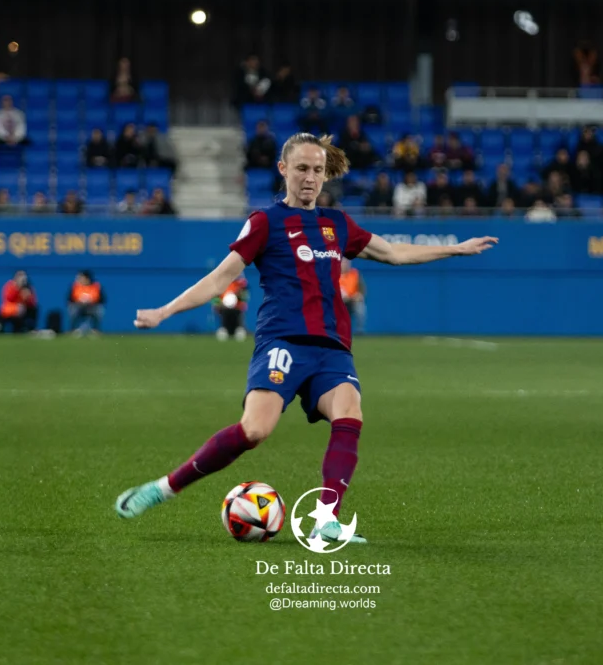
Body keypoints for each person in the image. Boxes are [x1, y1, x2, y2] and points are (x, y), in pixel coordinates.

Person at [114, 132, 498, 544]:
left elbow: (393, 252)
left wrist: (454, 249)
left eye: (317, 170)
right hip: (283, 342)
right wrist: (165, 311)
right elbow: (222, 277)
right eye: (301, 169)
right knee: (255, 430)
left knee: (350, 414)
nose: (310, 178)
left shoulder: (336, 224)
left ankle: (327, 519)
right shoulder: (266, 222)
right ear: (283, 170)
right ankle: (163, 488)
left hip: (331, 348)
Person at [68, 269, 105, 336]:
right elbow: (70, 299)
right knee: (73, 309)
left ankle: (95, 330)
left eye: (80, 277)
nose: (78, 279)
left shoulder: (95, 286)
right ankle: (73, 330)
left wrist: (91, 300)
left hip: (92, 306)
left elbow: (102, 299)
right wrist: (80, 300)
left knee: (99, 309)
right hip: (79, 306)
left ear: (87, 278)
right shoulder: (75, 286)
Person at [212, 274, 250, 341]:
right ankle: (224, 328)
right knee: (225, 316)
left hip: (237, 308)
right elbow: (216, 298)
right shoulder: (222, 285)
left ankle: (239, 328)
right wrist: (218, 304)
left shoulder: (241, 284)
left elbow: (244, 297)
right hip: (224, 308)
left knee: (238, 318)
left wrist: (239, 296)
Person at [339, 258, 366, 334]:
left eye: (347, 263)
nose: (345, 265)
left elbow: (361, 289)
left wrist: (359, 295)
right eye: (343, 263)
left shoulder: (354, 273)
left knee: (360, 308)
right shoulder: (334, 274)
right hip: (338, 301)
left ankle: (359, 330)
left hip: (352, 300)